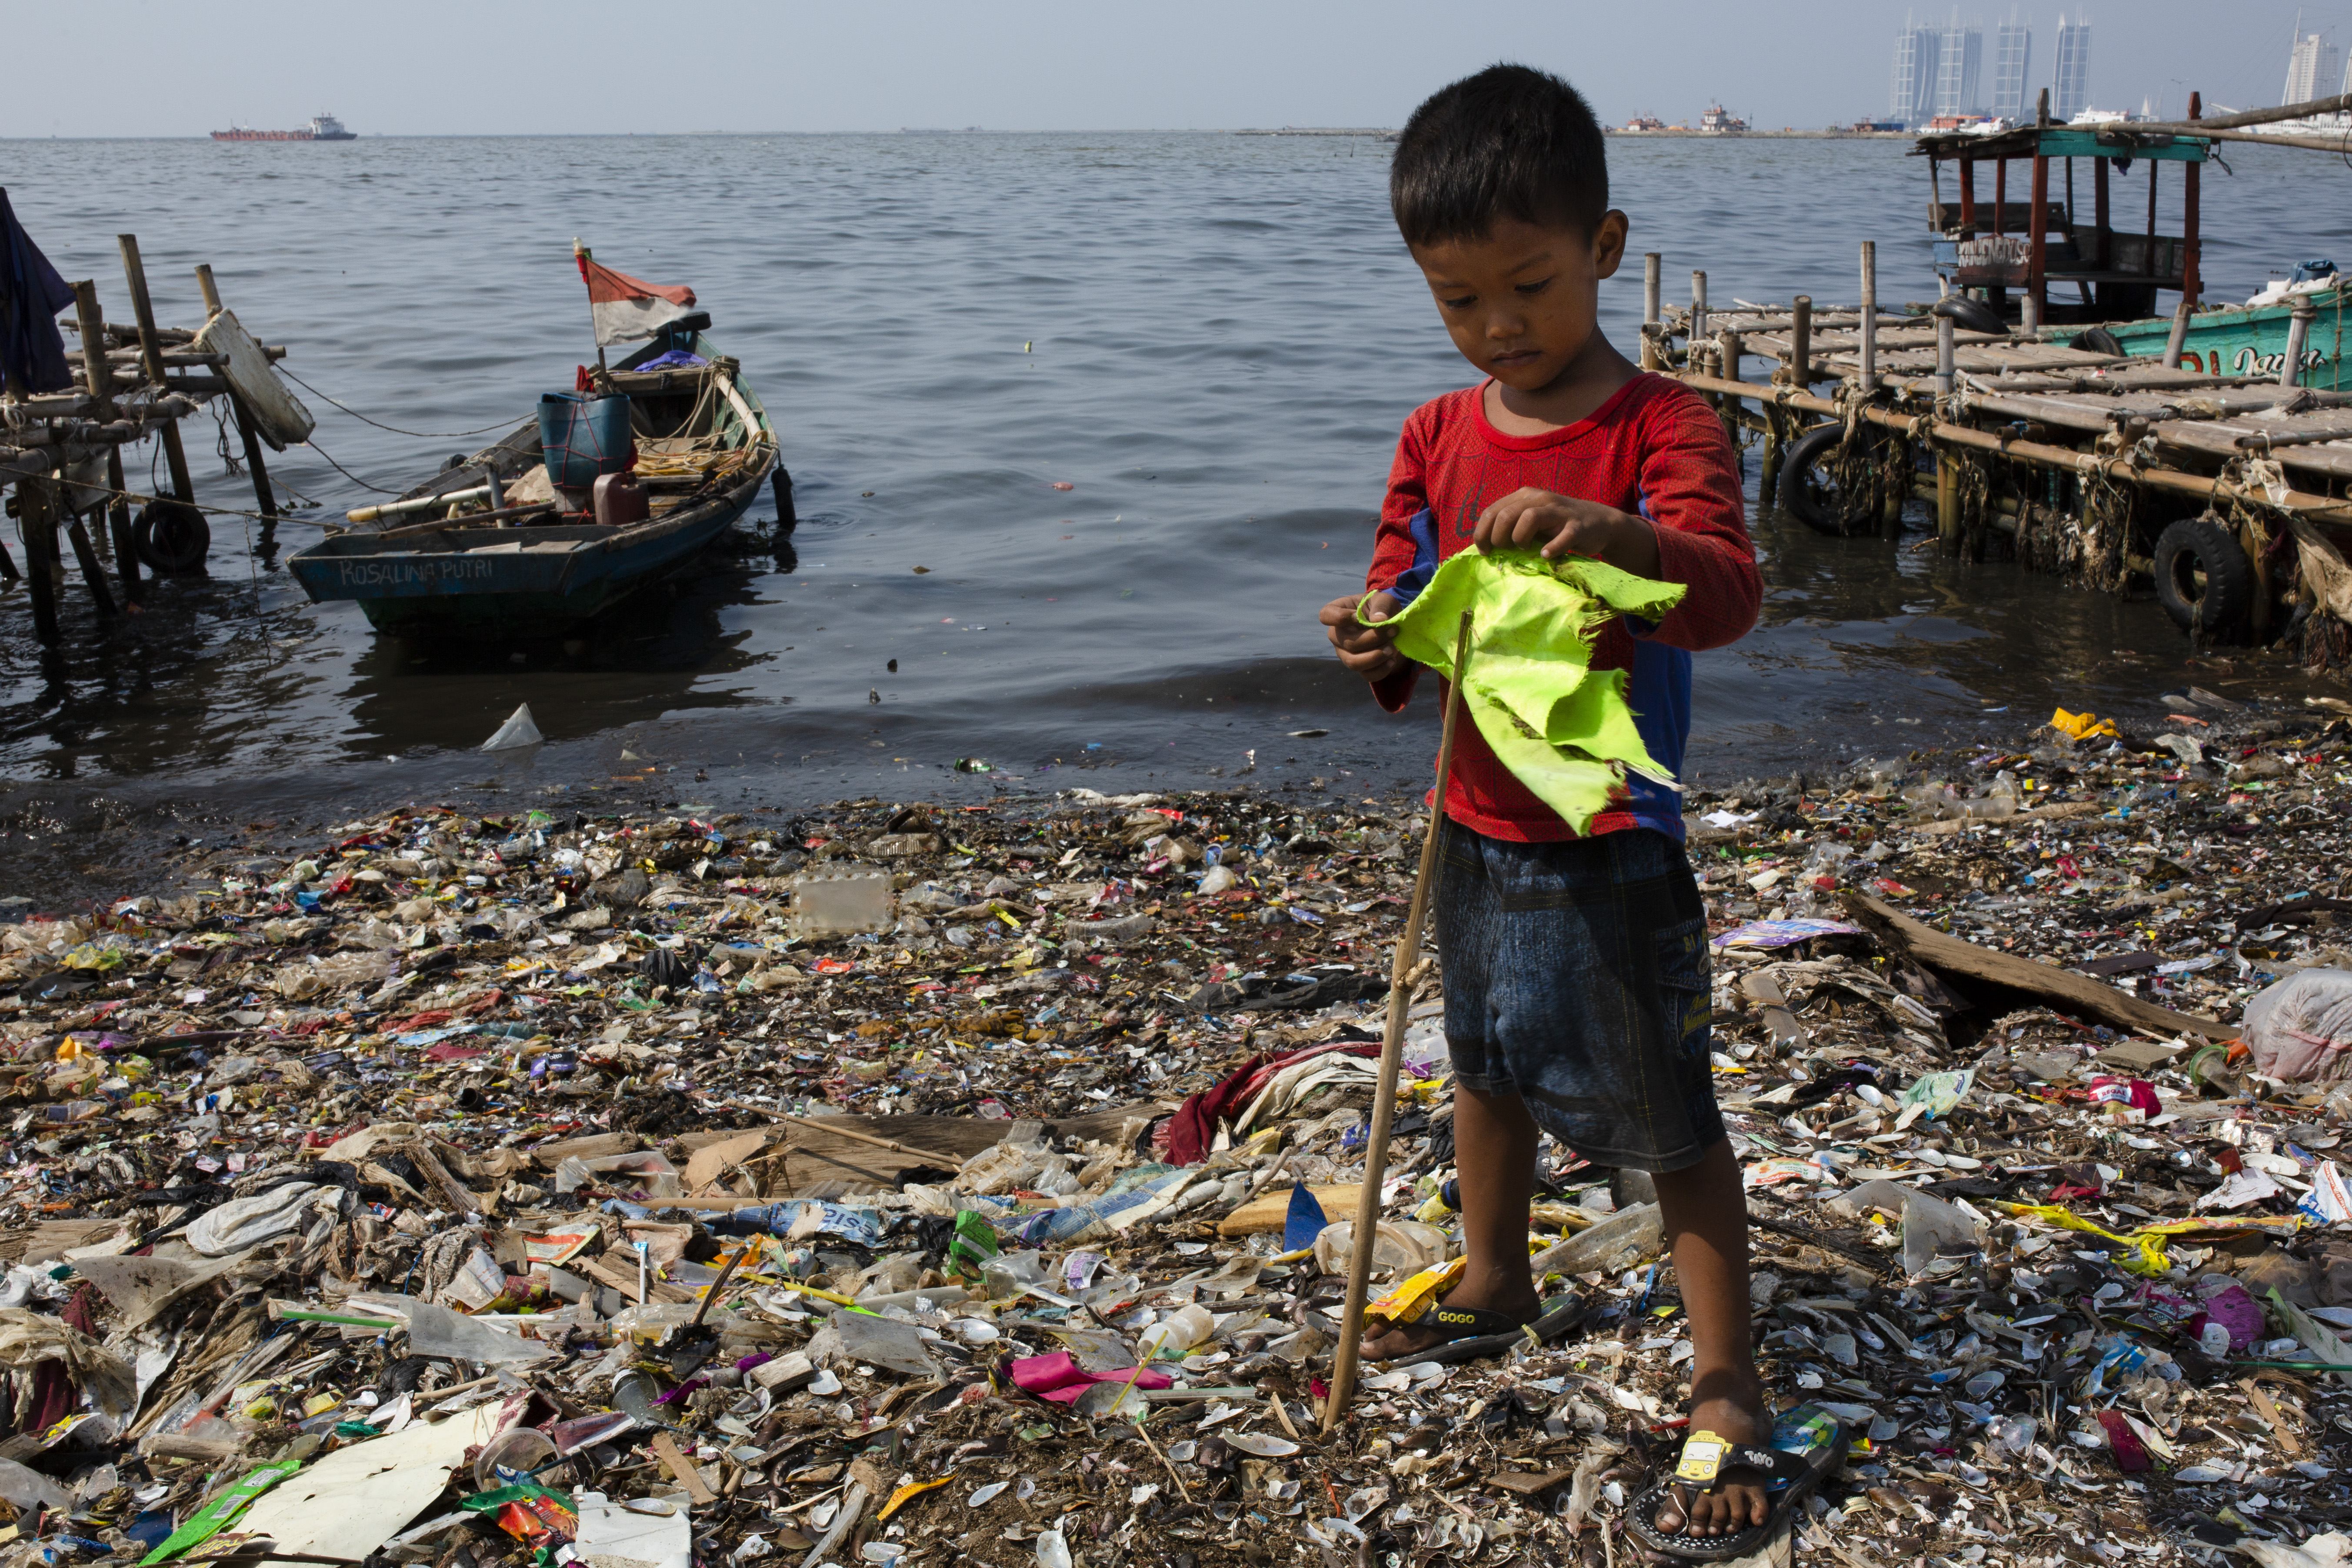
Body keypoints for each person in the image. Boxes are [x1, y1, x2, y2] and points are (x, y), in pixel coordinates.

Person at [1317, 63, 1769, 1545]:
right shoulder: (1435, 434)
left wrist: (1603, 531)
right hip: (1471, 820)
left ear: (1607, 247)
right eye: (1459, 302)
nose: (1499, 328)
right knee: (1486, 1063)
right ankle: (1494, 1275)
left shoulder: (1663, 427)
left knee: (1664, 1112)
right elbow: (1405, 592)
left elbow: (1718, 597)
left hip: (1610, 837)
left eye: (1528, 285)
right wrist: (1377, 633)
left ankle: (1726, 1382)